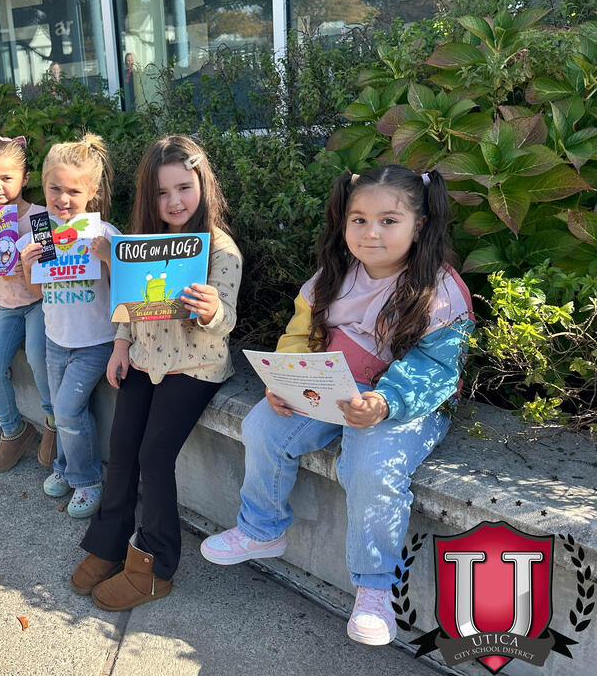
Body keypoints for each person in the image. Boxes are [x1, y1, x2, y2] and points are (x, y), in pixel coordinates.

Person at [200, 166, 474, 647]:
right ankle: (262, 529)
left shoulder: (440, 289)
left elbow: (437, 366)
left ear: (420, 225)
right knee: (264, 425)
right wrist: (285, 380)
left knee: (369, 465)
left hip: (404, 403)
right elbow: (301, 333)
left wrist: (386, 402)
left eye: (389, 221)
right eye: (358, 219)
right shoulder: (335, 275)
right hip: (333, 389)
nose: (371, 233)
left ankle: (375, 587)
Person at [71, 135, 241, 612]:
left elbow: (226, 320)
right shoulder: (141, 241)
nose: (175, 201)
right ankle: (108, 543)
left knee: (154, 455)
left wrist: (211, 310)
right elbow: (129, 303)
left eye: (184, 188)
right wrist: (120, 344)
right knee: (121, 448)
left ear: (203, 186)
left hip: (195, 365)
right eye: (162, 192)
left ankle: (154, 565)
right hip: (145, 358)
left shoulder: (221, 250)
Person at [20, 134, 118, 519]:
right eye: (54, 189)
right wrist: (27, 267)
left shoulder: (104, 233)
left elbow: (129, 288)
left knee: (66, 410)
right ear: (43, 186)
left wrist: (108, 257)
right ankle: (64, 465)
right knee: (63, 411)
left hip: (96, 341)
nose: (63, 199)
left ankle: (87, 479)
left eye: (74, 191)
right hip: (56, 338)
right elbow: (39, 292)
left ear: (92, 192)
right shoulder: (40, 234)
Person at [0, 134, 53, 472]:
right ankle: (13, 430)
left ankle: (53, 421)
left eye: (7, 178)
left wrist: (30, 264)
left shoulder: (40, 216)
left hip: (38, 304)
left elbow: (55, 269)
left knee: (37, 355)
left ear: (25, 178)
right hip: (6, 306)